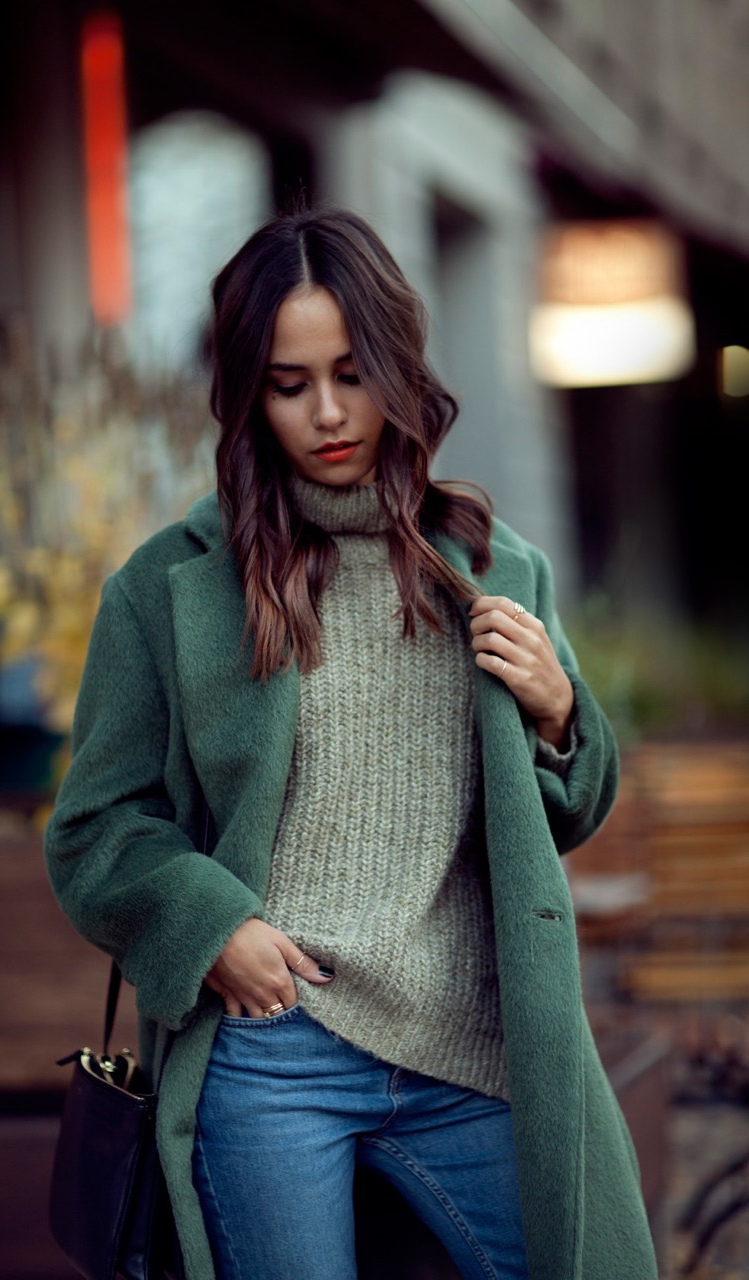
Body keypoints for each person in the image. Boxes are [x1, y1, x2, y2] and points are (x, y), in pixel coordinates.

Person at [44, 207, 657, 1280]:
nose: (328, 412)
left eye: (351, 373)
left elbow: (569, 807)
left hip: (475, 1047)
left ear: (398, 368)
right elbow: (94, 829)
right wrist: (211, 923)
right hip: (272, 1052)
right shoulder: (167, 586)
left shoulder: (490, 563)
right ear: (247, 393)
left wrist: (560, 714)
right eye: (288, 384)